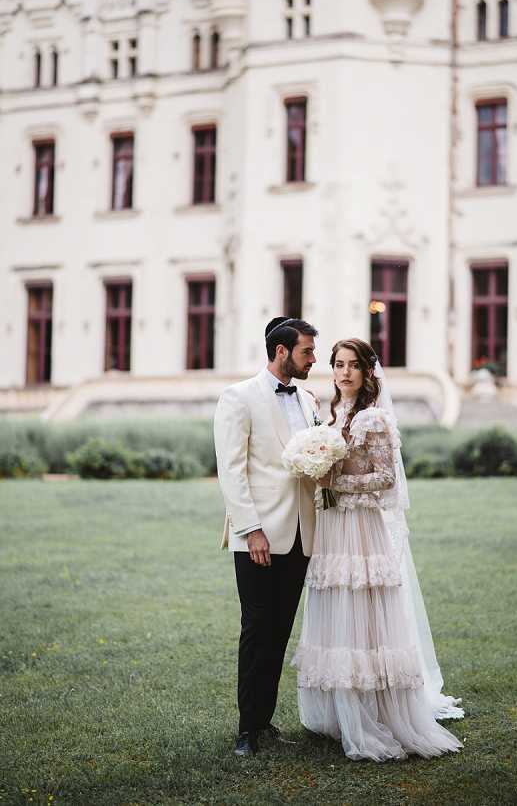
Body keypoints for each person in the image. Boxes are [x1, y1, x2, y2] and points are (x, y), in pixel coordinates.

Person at [292, 338, 464, 761]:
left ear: (369, 372)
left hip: (361, 527)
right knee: (337, 610)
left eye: (353, 365)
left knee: (363, 612)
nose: (344, 372)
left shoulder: (375, 419)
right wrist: (316, 470)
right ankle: (339, 712)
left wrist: (336, 483)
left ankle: (376, 712)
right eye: (338, 365)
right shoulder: (330, 415)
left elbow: (385, 478)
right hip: (333, 528)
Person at [213, 317, 320, 757]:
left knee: (279, 631)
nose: (314, 359)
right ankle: (246, 729)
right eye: (307, 352)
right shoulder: (238, 397)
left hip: (300, 536)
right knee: (256, 628)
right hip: (257, 536)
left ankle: (264, 718)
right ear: (281, 352)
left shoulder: (310, 400)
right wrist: (251, 529)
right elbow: (232, 469)